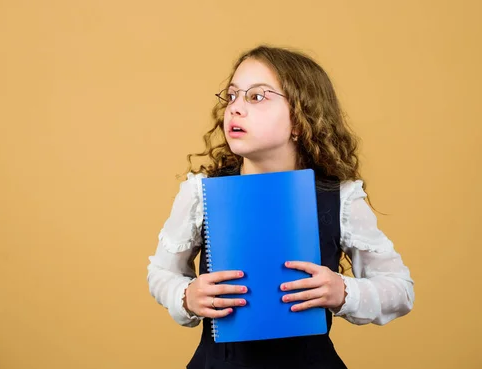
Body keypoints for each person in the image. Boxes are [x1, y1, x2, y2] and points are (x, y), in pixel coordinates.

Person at [146, 45, 415, 369]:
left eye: (257, 97)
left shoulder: (339, 198)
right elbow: (161, 273)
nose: (235, 109)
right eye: (232, 96)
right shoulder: (200, 193)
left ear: (301, 120)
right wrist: (187, 296)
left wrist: (343, 291)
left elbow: (400, 290)